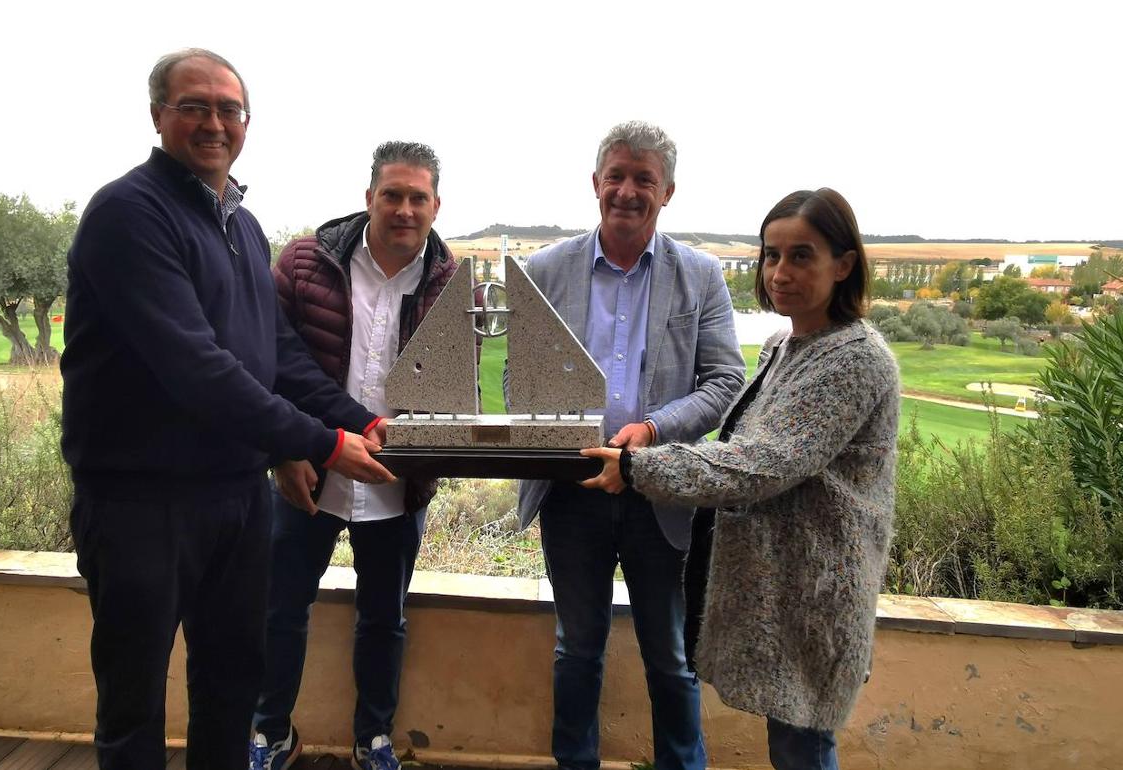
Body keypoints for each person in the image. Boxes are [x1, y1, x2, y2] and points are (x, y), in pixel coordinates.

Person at [60, 48, 395, 770]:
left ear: (246, 122)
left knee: (232, 686)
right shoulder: (128, 214)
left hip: (236, 501)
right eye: (194, 106)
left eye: (228, 109)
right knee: (133, 701)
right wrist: (324, 443)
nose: (214, 122)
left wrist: (360, 420)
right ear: (158, 116)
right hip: (139, 504)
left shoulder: (241, 225)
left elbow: (276, 354)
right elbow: (198, 370)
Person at [582, 188, 901, 770]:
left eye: (801, 256)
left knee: (802, 746)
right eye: (770, 255)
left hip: (815, 592)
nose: (780, 273)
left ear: (844, 264)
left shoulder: (855, 357)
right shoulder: (786, 344)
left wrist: (636, 464)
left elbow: (762, 463)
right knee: (792, 743)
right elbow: (744, 452)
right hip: (788, 586)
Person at [507, 121, 745, 770]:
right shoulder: (546, 269)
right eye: (617, 175)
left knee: (670, 654)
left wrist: (653, 433)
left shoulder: (700, 276)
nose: (628, 190)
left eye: (644, 178)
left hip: (660, 491)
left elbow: (726, 379)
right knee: (577, 647)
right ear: (595, 184)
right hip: (573, 490)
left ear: (667, 191)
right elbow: (516, 378)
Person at [249, 141, 459, 770]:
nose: (403, 209)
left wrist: (426, 454)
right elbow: (268, 364)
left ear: (435, 205)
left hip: (397, 483)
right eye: (391, 195)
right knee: (281, 609)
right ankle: (270, 732)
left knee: (384, 619)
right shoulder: (303, 262)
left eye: (416, 197)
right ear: (369, 197)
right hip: (307, 470)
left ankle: (373, 738)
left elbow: (455, 392)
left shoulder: (451, 283)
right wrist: (286, 451)